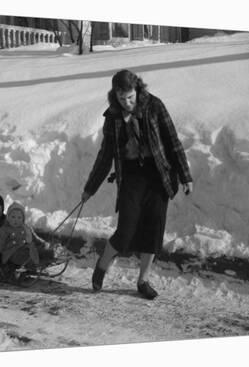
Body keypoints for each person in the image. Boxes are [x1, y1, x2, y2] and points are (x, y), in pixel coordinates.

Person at [81, 69, 193, 300]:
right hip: (131, 177)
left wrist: (185, 176)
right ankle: (103, 263)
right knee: (126, 231)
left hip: (158, 176)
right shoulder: (113, 116)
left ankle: (143, 280)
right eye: (122, 98)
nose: (127, 102)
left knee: (153, 230)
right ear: (115, 96)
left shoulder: (155, 106)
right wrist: (90, 188)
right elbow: (105, 155)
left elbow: (172, 141)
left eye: (130, 97)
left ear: (138, 89)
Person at [0, 202, 55, 272]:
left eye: (19, 217)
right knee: (30, 255)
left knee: (39, 250)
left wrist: (43, 243)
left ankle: (51, 254)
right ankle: (33, 265)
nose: (16, 220)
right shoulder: (5, 229)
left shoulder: (26, 228)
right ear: (8, 217)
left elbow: (35, 238)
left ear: (23, 219)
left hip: (26, 249)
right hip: (12, 254)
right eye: (13, 217)